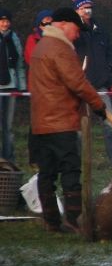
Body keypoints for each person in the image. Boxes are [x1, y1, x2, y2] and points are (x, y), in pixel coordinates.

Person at [29, 7, 106, 233]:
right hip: (61, 121)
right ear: (63, 25)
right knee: (71, 170)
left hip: (40, 122)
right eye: (75, 29)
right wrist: (98, 105)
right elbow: (77, 82)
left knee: (47, 173)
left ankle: (51, 221)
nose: (78, 34)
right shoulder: (60, 49)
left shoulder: (41, 46)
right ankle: (74, 219)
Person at [71, 0, 112, 168]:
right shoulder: (73, 31)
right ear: (77, 10)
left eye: (90, 7)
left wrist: (107, 72)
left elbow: (111, 54)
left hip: (99, 86)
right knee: (77, 127)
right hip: (78, 87)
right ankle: (75, 162)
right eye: (84, 7)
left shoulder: (100, 31)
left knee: (111, 124)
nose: (88, 11)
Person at [24, 9, 53, 167]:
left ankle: (47, 155)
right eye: (44, 22)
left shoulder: (56, 39)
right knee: (36, 122)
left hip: (51, 87)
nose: (47, 24)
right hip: (37, 86)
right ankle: (34, 157)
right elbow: (31, 58)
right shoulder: (32, 39)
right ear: (39, 23)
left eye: (50, 21)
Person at [0, 8, 26, 164]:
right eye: (2, 20)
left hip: (11, 86)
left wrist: (22, 86)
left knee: (8, 127)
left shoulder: (14, 38)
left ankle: (9, 158)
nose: (5, 23)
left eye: (7, 21)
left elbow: (20, 64)